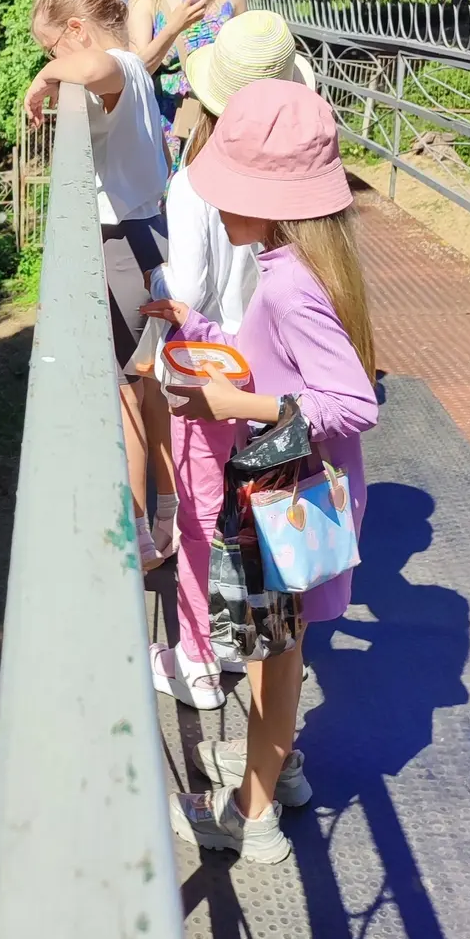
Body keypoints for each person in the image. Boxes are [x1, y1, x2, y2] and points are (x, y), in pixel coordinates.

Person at [144, 79, 378, 863]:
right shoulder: (303, 266)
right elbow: (280, 367)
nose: (215, 203)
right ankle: (284, 768)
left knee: (273, 662)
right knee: (283, 652)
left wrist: (227, 403)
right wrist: (198, 325)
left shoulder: (287, 284)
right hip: (306, 501)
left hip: (284, 508)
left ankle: (251, 816)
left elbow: (350, 403)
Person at [140, 11, 317, 710]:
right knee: (259, 511)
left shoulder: (194, 186)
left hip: (216, 370)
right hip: (275, 371)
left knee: (201, 512)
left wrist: (154, 287)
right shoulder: (294, 183)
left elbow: (184, 291)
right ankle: (257, 648)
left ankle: (199, 659)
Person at [25, 0, 172, 571]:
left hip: (122, 248)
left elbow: (88, 69)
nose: (50, 59)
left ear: (78, 30)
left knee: (128, 397)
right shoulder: (137, 67)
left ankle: (138, 528)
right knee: (152, 391)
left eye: (51, 45)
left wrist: (44, 78)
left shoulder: (114, 66)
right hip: (149, 238)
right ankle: (164, 517)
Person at [128, 0, 246, 174]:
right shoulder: (145, 1)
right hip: (169, 133)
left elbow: (245, 55)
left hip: (223, 124)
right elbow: (136, 71)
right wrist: (173, 27)